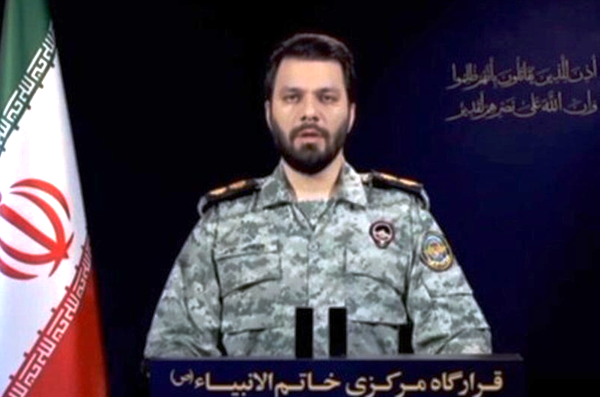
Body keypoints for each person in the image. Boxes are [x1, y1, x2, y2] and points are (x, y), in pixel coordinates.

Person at [144, 33, 491, 358]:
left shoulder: (404, 218)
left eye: (327, 98)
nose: (309, 112)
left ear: (350, 113)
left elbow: (462, 343)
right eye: (292, 97)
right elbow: (173, 350)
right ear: (269, 113)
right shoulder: (222, 225)